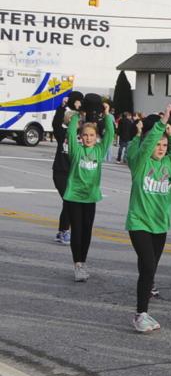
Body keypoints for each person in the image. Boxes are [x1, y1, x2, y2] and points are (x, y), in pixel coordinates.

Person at [125, 103, 171, 333]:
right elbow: (145, 145)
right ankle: (140, 314)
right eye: (157, 145)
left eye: (164, 145)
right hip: (139, 222)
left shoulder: (168, 163)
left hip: (160, 225)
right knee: (148, 266)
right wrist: (161, 123)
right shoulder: (140, 163)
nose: (161, 148)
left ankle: (144, 308)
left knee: (149, 268)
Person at [61, 102, 115, 282]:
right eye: (85, 135)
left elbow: (110, 135)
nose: (88, 138)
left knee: (87, 231)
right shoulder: (76, 151)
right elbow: (70, 132)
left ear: (96, 136)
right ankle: (77, 265)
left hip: (90, 197)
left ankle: (83, 262)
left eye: (92, 135)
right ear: (81, 137)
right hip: (74, 196)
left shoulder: (99, 151)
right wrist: (79, 113)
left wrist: (107, 114)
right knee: (77, 231)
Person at [52, 96, 73, 245]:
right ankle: (65, 231)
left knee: (68, 203)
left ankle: (61, 231)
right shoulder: (62, 134)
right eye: (70, 119)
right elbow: (55, 123)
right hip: (60, 172)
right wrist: (62, 107)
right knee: (69, 201)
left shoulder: (81, 136)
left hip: (74, 174)